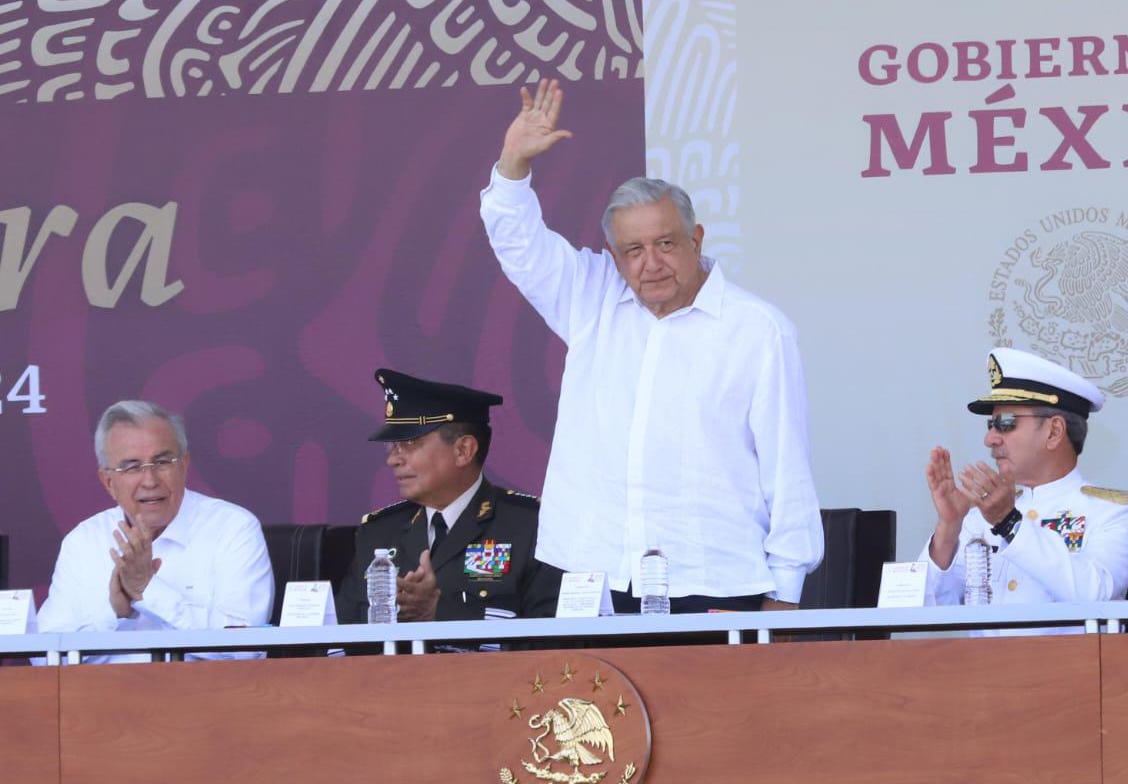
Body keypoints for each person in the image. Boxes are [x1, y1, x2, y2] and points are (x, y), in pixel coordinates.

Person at [478, 80, 823, 614]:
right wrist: (512, 164)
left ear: (697, 239)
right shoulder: (590, 298)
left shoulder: (758, 331)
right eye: (633, 250)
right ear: (615, 258)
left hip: (710, 579)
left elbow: (787, 469)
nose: (651, 263)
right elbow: (519, 244)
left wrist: (784, 593)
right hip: (590, 573)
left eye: (665, 243)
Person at [37, 400, 274, 661]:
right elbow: (44, 658)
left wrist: (146, 590)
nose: (150, 481)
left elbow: (246, 648)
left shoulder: (233, 528)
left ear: (184, 465)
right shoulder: (83, 541)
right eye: (132, 467)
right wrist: (117, 614)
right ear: (108, 482)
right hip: (104, 698)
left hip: (204, 697)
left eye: (162, 463)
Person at [921, 347, 1128, 608]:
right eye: (990, 425)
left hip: (1070, 651)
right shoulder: (977, 519)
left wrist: (1009, 523)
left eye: (1005, 423)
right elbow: (922, 611)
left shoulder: (1113, 513)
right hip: (983, 651)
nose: (990, 439)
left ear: (1054, 431)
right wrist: (949, 526)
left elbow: (1094, 595)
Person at [335, 369, 560, 624]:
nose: (392, 460)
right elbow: (340, 638)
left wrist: (440, 612)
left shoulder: (530, 526)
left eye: (410, 444)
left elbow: (553, 638)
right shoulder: (378, 533)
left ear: (463, 450)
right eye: (392, 447)